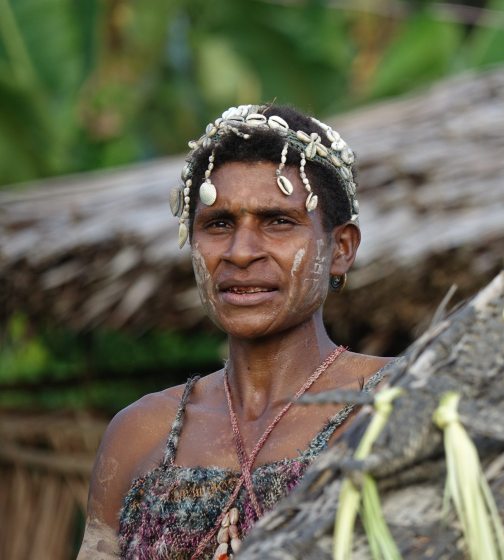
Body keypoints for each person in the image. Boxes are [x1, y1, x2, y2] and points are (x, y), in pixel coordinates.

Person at [76, 104, 391, 559]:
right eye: (218, 224)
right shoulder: (139, 434)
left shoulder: (394, 404)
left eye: (278, 221)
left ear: (340, 249)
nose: (241, 252)